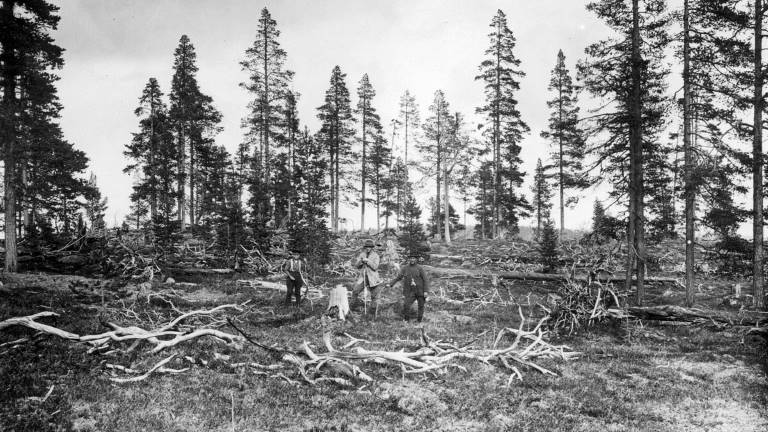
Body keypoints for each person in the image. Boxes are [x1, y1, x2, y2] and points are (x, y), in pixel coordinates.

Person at [389, 252, 430, 322]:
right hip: (410, 291)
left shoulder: (420, 268)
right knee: (406, 305)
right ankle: (406, 320)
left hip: (420, 291)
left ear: (416, 259)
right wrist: (391, 284)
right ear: (409, 259)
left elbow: (425, 280)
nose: (412, 260)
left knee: (421, 306)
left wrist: (426, 291)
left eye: (414, 258)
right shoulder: (405, 268)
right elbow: (399, 277)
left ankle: (419, 321)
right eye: (411, 258)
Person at [352, 239, 383, 311]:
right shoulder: (362, 254)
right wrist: (361, 261)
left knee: (374, 296)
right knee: (355, 291)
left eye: (369, 247)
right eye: (366, 247)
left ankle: (372, 312)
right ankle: (351, 307)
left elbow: (375, 267)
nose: (368, 248)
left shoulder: (376, 256)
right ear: (365, 247)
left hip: (373, 278)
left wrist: (368, 261)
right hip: (363, 277)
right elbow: (357, 265)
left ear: (372, 247)